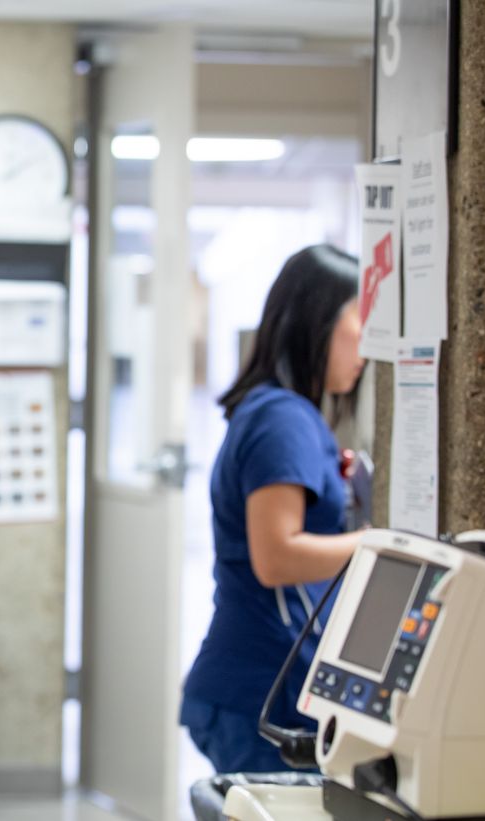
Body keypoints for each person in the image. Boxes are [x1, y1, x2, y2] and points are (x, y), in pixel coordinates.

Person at [180, 244, 366, 774]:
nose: (366, 346)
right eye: (360, 322)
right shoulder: (282, 417)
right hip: (258, 686)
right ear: (320, 321)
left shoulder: (278, 411)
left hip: (255, 679)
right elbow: (276, 557)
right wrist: (379, 542)